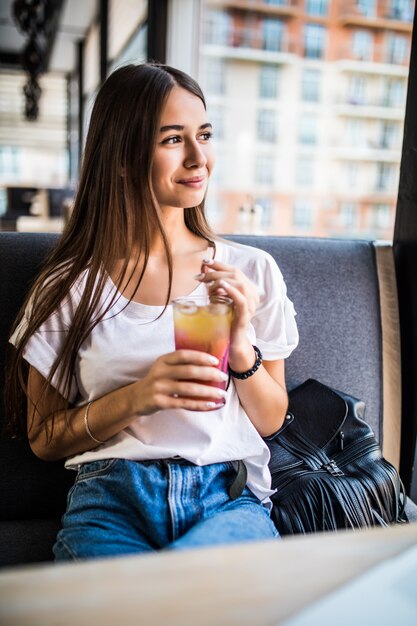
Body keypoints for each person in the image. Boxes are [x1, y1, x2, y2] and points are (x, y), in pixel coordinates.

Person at [7, 62, 299, 561]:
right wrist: (140, 396)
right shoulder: (69, 285)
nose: (198, 158)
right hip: (112, 498)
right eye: (172, 140)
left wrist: (241, 341)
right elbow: (44, 437)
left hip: (224, 498)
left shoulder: (250, 270)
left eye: (204, 135)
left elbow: (272, 420)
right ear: (123, 157)